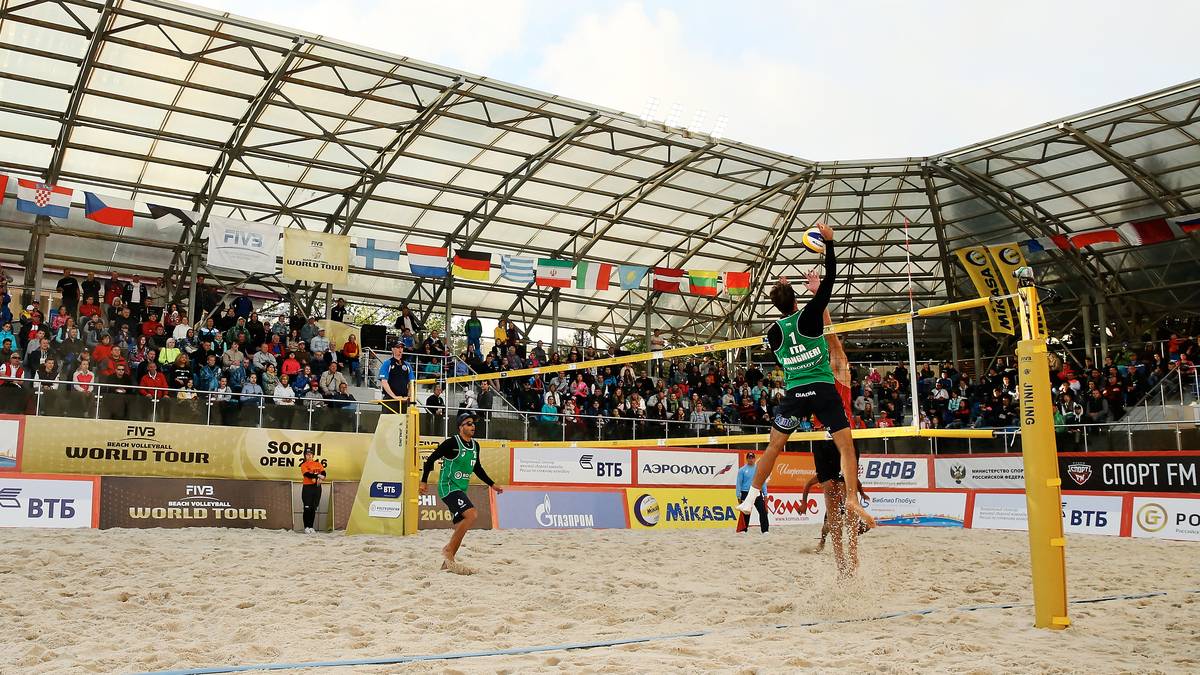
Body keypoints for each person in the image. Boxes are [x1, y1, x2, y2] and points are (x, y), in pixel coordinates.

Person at [736, 223, 874, 560]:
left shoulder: (773, 334)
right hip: (823, 393)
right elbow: (829, 288)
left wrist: (786, 296)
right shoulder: (812, 321)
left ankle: (753, 495)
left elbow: (788, 325)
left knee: (774, 445)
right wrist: (828, 244)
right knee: (847, 448)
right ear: (797, 299)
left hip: (795, 395)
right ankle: (854, 502)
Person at [420, 412, 503, 574]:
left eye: (473, 423)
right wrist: (423, 481)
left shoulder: (475, 446)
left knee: (461, 527)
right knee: (471, 515)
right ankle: (448, 550)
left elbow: (477, 468)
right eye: (469, 423)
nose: (473, 426)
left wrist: (492, 484)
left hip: (460, 489)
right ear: (460, 427)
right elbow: (430, 459)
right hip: (448, 486)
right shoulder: (452, 443)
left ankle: (447, 562)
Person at [735, 452, 769, 534]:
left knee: (763, 511)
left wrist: (765, 494)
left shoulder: (759, 469)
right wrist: (738, 495)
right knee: (746, 512)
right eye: (749, 458)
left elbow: (763, 482)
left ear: (754, 458)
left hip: (757, 491)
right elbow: (739, 483)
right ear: (746, 459)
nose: (751, 459)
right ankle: (744, 529)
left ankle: (765, 530)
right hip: (746, 492)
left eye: (752, 457)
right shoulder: (742, 470)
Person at [299, 448, 326, 534]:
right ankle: (306, 527)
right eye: (307, 454)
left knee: (313, 508)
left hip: (317, 488)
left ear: (313, 455)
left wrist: (320, 477)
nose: (309, 455)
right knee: (307, 508)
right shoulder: (304, 465)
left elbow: (324, 473)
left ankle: (311, 527)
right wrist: (318, 476)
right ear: (305, 456)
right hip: (308, 488)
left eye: (310, 454)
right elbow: (307, 474)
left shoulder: (318, 464)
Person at [379, 342, 411, 414]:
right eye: (398, 347)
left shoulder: (407, 365)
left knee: (404, 423)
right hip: (390, 399)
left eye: (401, 347)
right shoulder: (387, 363)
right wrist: (394, 396)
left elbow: (412, 383)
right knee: (388, 423)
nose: (400, 349)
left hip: (404, 400)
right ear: (392, 349)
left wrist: (408, 396)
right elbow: (384, 382)